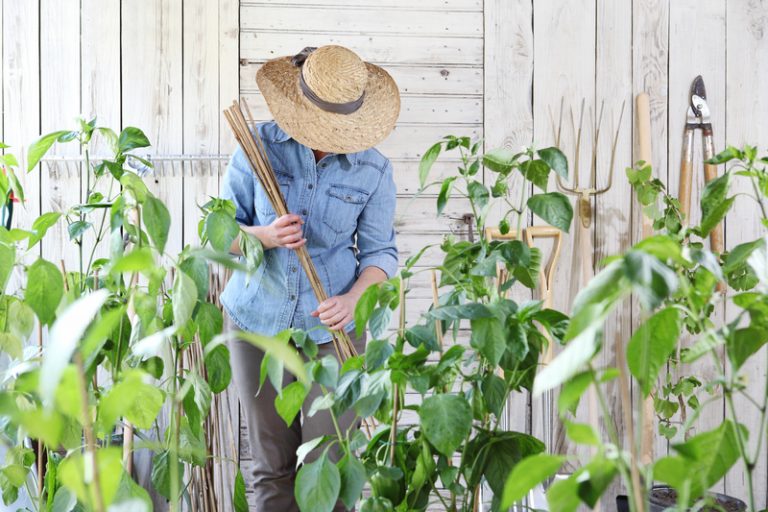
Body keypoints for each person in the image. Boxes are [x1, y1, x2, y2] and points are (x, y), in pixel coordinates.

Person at [220, 45, 400, 511]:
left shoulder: (374, 170)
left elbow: (381, 254)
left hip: (331, 333)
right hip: (256, 326)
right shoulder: (256, 145)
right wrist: (264, 235)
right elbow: (219, 236)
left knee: (329, 468)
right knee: (270, 468)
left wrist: (355, 297)